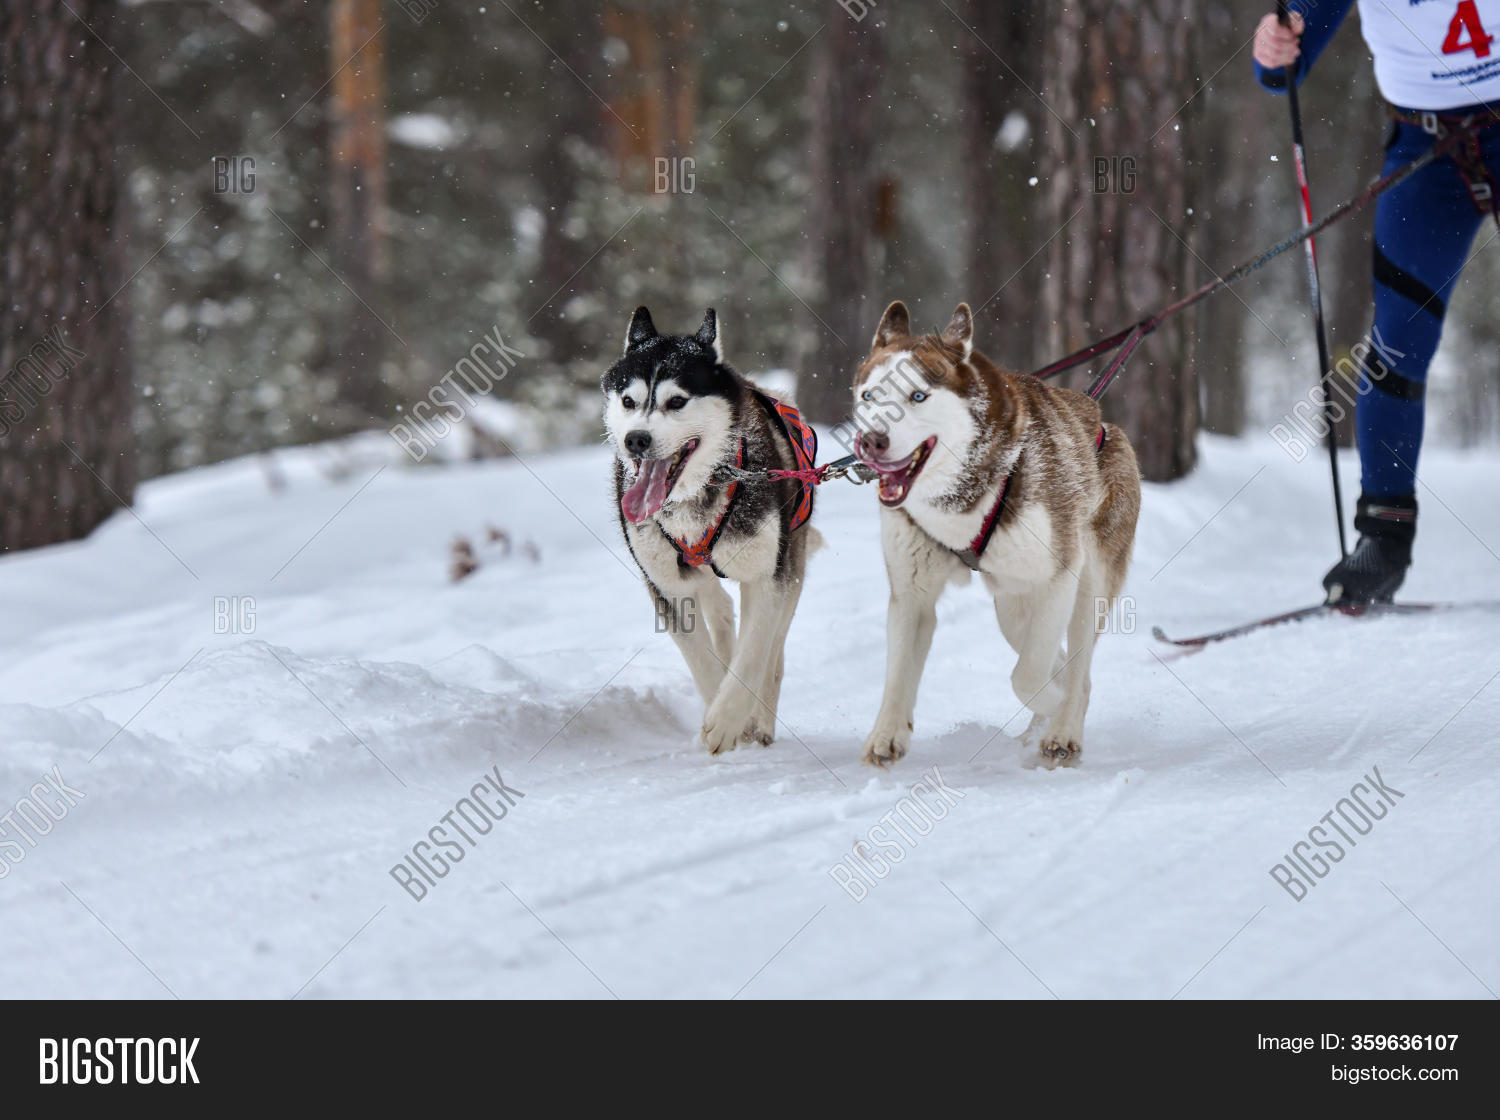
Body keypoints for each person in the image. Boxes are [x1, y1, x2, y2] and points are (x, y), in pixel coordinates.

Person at [1253, 3, 1500, 603]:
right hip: (1425, 150)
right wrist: (1275, 46)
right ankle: (1383, 541)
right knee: (1395, 348)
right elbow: (1288, 56)